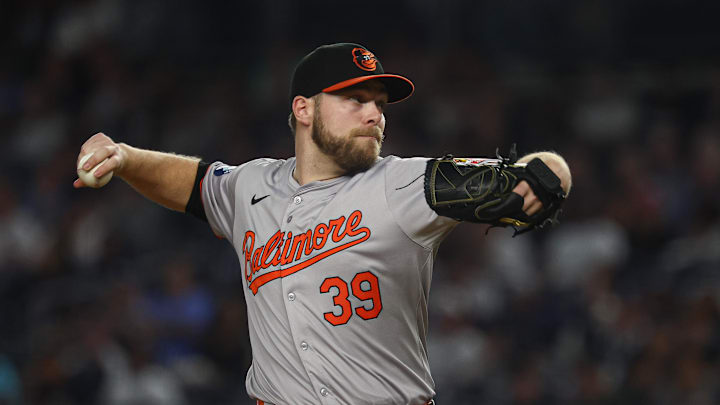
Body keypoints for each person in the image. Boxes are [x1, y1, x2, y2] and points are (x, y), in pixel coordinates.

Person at [75, 43, 572, 405]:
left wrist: (548, 176)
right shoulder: (251, 187)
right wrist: (123, 157)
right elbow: (193, 182)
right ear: (304, 108)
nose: (374, 113)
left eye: (379, 102)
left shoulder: (406, 183)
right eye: (355, 99)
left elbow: (534, 175)